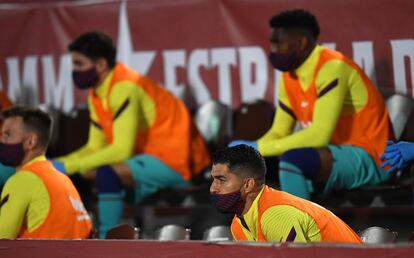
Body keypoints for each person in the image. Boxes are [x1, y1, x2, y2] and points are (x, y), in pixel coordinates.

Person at [52, 31, 211, 238]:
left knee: (105, 173)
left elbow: (121, 149)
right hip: (147, 159)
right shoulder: (96, 95)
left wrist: (68, 166)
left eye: (79, 64)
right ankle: (84, 233)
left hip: (177, 163)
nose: (74, 71)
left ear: (100, 65)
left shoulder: (125, 87)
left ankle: (107, 240)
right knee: (87, 172)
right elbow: (94, 147)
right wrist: (58, 163)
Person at [230, 9, 394, 199]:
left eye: (278, 43)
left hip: (375, 158)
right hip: (334, 155)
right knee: (255, 167)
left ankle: (302, 228)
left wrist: (258, 148)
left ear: (301, 43)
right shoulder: (289, 75)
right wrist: (250, 152)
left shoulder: (332, 66)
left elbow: (319, 135)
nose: (272, 50)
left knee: (293, 160)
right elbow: (279, 132)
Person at [210, 144, 362, 243]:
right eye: (213, 180)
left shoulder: (276, 214)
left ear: (248, 184)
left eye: (221, 180)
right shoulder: (238, 225)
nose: (213, 189)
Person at [0, 106, 92, 238]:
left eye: (7, 135)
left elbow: (2, 238)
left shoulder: (23, 180)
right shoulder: (64, 180)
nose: (2, 140)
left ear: (31, 142)